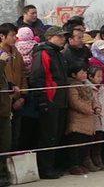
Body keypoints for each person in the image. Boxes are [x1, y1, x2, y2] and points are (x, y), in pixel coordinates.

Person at [30, 26, 70, 179]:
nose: (63, 39)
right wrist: (42, 101)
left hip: (60, 100)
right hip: (50, 100)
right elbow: (37, 78)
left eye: (63, 36)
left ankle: (52, 165)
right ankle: (45, 168)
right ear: (50, 37)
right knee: (48, 136)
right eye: (59, 36)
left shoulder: (58, 54)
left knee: (56, 135)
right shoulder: (44, 53)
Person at [66, 63, 99, 175]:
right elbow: (74, 101)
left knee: (84, 143)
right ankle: (73, 165)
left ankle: (80, 163)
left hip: (88, 119)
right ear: (74, 75)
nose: (84, 75)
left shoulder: (87, 85)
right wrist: (87, 109)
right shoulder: (72, 86)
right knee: (76, 142)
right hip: (77, 118)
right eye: (81, 73)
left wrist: (96, 107)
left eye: (85, 72)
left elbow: (93, 98)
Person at [0, 23, 28, 150]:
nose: (14, 38)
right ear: (2, 36)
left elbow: (23, 75)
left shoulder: (17, 54)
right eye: (11, 35)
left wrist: (23, 96)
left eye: (16, 35)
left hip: (17, 99)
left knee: (14, 136)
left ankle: (12, 165)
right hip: (3, 101)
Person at [0, 44, 20, 187]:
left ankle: (2, 173)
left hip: (4, 109)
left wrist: (11, 85)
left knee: (5, 143)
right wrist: (1, 62)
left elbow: (2, 78)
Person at [87, 66, 104, 170]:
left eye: (101, 76)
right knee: (91, 139)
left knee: (99, 140)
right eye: (98, 76)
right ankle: (88, 160)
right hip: (92, 117)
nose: (100, 78)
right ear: (90, 77)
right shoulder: (88, 87)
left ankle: (98, 158)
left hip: (102, 117)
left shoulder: (102, 87)